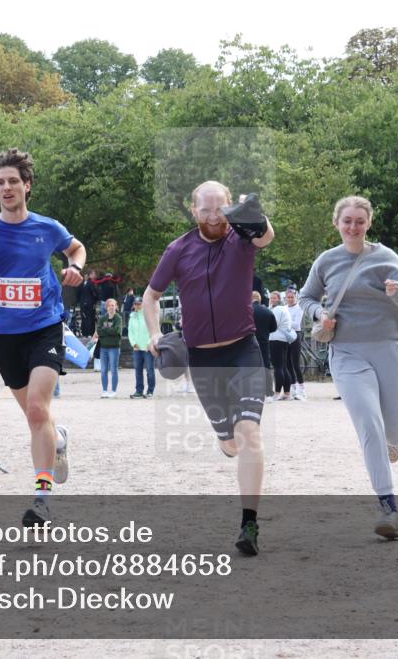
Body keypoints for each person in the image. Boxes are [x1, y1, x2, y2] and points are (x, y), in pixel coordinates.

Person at [142, 182, 275, 556]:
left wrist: (255, 216)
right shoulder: (178, 249)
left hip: (244, 351)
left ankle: (249, 522)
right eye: (206, 210)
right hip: (201, 359)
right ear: (193, 210)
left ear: (230, 206)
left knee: (249, 432)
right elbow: (150, 296)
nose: (214, 216)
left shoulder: (243, 237)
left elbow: (266, 236)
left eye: (220, 208)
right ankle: (226, 440)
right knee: (230, 443)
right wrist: (155, 334)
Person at [0, 147, 86, 526]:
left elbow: (75, 248)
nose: (7, 188)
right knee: (38, 419)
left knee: (36, 408)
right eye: (0, 183)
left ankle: (42, 497)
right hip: (4, 335)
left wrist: (75, 266)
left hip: (44, 327)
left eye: (14, 181)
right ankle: (57, 440)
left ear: (27, 186)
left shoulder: (47, 228)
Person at [300, 195, 398, 540]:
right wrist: (318, 314)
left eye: (359, 220)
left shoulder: (386, 257)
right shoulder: (326, 261)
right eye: (347, 220)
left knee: (393, 430)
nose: (353, 226)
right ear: (337, 223)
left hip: (389, 348)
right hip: (346, 352)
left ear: (369, 223)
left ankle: (394, 442)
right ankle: (388, 506)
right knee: (368, 421)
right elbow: (306, 298)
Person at [268, 290, 295, 401]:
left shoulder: (278, 310)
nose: (272, 299)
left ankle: (277, 392)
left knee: (278, 367)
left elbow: (274, 325)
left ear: (279, 299)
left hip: (276, 339)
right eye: (271, 297)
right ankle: (287, 393)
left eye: (274, 298)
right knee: (283, 367)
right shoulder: (283, 309)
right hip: (283, 340)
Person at [93, 297, 122, 398]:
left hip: (114, 348)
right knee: (104, 370)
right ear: (106, 307)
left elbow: (117, 331)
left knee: (114, 369)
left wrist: (105, 330)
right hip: (103, 348)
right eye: (109, 305)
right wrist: (108, 330)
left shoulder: (118, 318)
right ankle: (104, 390)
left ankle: (113, 391)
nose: (111, 307)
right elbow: (99, 331)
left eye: (113, 305)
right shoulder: (102, 318)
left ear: (116, 307)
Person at [127, 298, 155, 398]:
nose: (137, 306)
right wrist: (133, 343)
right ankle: (139, 390)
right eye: (135, 304)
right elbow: (130, 332)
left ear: (142, 304)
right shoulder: (132, 316)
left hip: (147, 348)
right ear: (133, 305)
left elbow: (153, 330)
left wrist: (149, 343)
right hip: (137, 348)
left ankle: (150, 391)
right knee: (138, 371)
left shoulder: (148, 315)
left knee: (149, 370)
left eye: (139, 304)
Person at [284, 286, 306, 399]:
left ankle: (302, 390)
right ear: (286, 298)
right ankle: (293, 390)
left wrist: (285, 322)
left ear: (295, 297)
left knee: (295, 363)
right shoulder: (284, 308)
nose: (290, 299)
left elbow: (297, 324)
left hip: (295, 335)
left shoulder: (299, 308)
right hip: (285, 336)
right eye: (288, 297)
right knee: (287, 364)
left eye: (292, 297)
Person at [251, 291, 277, 371]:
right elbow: (274, 328)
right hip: (264, 341)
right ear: (259, 299)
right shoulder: (267, 311)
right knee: (265, 362)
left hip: (250, 342)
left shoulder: (247, 311)